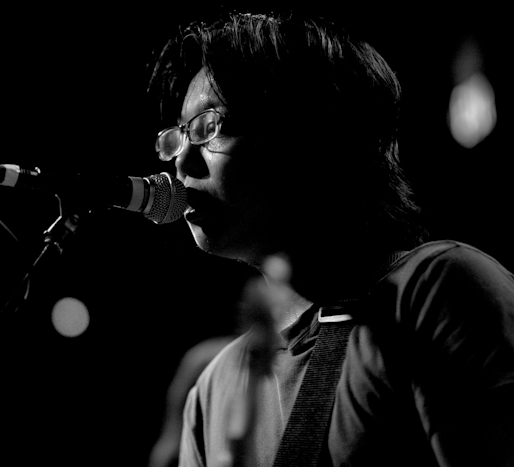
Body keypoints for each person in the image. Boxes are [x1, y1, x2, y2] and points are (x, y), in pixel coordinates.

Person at [147, 11, 514, 467]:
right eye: (178, 137)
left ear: (304, 131)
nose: (181, 165)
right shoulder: (212, 389)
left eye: (208, 127)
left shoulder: (438, 291)